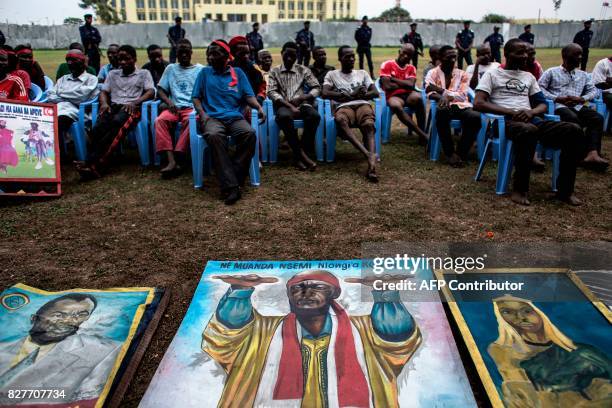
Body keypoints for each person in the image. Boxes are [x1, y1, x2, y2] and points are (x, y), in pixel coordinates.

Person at [202, 270, 421, 407]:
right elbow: (228, 331)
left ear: (333, 294)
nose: (306, 292)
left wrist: (385, 295)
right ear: (289, 296)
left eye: (317, 287)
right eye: (298, 288)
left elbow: (396, 336)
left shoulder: (363, 330)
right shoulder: (262, 332)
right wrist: (240, 290)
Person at [474, 39, 583, 206]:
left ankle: (565, 191)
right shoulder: (493, 74)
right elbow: (479, 103)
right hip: (503, 123)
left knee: (573, 129)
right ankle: (519, 189)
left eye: (526, 52)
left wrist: (531, 111)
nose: (525, 56)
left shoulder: (529, 77)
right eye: (519, 52)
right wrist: (511, 112)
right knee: (528, 130)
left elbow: (543, 104)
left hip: (530, 119)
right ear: (506, 54)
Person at [488, 295, 612, 407]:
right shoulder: (505, 354)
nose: (520, 317)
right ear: (500, 318)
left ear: (540, 313)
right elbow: (520, 397)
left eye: (526, 311)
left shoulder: (583, 351)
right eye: (507, 312)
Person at [0, 294, 122, 405]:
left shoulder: (104, 350)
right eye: (58, 315)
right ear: (34, 318)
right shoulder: (3, 348)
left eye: (81, 315)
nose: (69, 321)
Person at [192, 39, 264, 205]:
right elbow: (196, 97)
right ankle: (232, 187)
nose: (210, 57)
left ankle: (233, 178)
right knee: (214, 135)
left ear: (226, 56)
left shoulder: (238, 73)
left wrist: (258, 107)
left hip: (234, 117)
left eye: (215, 54)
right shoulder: (204, 73)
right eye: (209, 54)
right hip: (213, 118)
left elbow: (248, 95)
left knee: (249, 134)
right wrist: (202, 114)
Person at [74, 45, 154, 180]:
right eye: (120, 59)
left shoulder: (144, 73)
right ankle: (91, 161)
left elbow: (151, 91)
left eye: (126, 59)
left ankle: (96, 165)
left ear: (134, 59)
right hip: (114, 107)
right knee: (98, 128)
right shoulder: (112, 74)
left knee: (117, 125)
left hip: (131, 108)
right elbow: (104, 91)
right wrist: (104, 103)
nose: (122, 62)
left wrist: (135, 102)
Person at [538, 44, 608, 171]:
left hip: (578, 105)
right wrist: (557, 98)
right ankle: (579, 154)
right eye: (576, 54)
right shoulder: (551, 72)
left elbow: (593, 91)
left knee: (597, 118)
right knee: (573, 119)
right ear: (565, 56)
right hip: (559, 106)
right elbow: (539, 89)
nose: (580, 57)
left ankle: (593, 153)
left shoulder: (583, 75)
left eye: (581, 54)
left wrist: (582, 98)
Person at [322, 45, 380, 182]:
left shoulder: (362, 73)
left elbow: (375, 92)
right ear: (340, 58)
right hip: (344, 107)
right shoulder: (332, 74)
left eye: (353, 56)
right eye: (347, 56)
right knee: (340, 120)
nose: (352, 59)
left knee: (369, 124)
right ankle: (369, 154)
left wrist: (360, 94)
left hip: (362, 104)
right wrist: (350, 95)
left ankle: (371, 164)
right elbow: (324, 93)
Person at [268, 42, 321, 171]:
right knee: (284, 117)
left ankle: (298, 155)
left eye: (293, 55)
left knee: (314, 116)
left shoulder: (303, 70)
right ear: (281, 54)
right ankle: (302, 156)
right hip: (283, 104)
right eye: (287, 54)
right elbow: (271, 92)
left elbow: (317, 87)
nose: (290, 58)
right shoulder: (274, 71)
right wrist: (289, 106)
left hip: (302, 104)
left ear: (297, 55)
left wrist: (304, 97)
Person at [426, 45, 482, 167]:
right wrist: (442, 97)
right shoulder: (432, 73)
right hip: (443, 104)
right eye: (448, 57)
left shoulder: (462, 74)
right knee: (442, 112)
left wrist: (443, 92)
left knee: (475, 117)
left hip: (461, 105)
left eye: (454, 57)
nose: (452, 60)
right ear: (440, 58)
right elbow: (429, 92)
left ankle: (461, 153)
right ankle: (450, 153)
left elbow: (462, 95)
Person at [154, 39, 203, 177]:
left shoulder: (200, 70)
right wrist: (169, 102)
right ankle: (171, 161)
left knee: (192, 121)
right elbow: (161, 90)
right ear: (176, 53)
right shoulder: (170, 68)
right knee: (160, 121)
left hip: (192, 108)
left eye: (186, 52)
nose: (183, 55)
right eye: (180, 53)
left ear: (191, 52)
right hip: (174, 107)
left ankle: (179, 156)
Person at [47, 50, 99, 158]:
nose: (70, 63)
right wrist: (69, 98)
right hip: (58, 109)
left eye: (74, 60)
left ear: (82, 62)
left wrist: (61, 94)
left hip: (77, 111)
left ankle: (57, 155)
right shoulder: (63, 79)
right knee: (46, 122)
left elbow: (81, 96)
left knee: (58, 122)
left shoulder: (91, 79)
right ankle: (56, 154)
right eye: (68, 60)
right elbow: (51, 95)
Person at [379, 43, 428, 143]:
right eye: (404, 53)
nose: (406, 56)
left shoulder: (411, 68)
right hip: (393, 96)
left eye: (409, 55)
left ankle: (422, 132)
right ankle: (422, 134)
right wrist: (405, 83)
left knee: (419, 98)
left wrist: (393, 79)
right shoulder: (387, 64)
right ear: (399, 52)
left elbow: (411, 85)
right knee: (396, 106)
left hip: (408, 95)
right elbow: (388, 86)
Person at [229, 36, 266, 104]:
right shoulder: (228, 67)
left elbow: (262, 85)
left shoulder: (254, 67)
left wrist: (259, 98)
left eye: (247, 53)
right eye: (242, 54)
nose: (246, 56)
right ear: (233, 53)